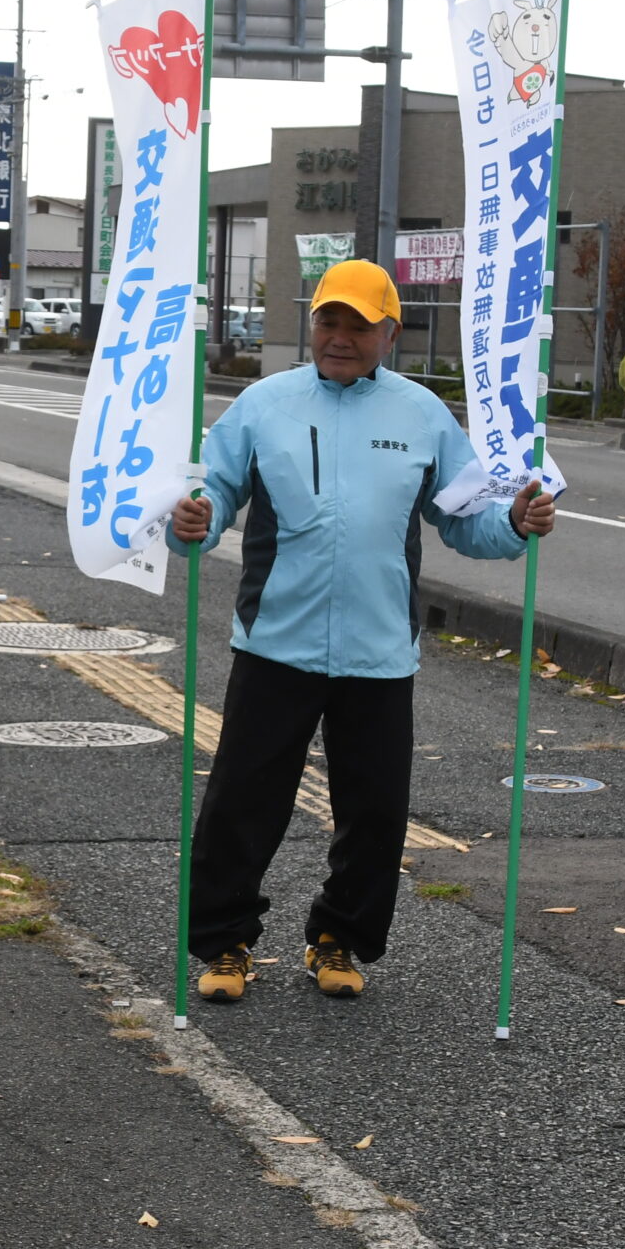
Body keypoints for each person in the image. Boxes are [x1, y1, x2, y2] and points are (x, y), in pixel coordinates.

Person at [166, 259, 555, 1002]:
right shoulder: (263, 404)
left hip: (380, 651)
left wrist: (512, 521)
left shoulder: (422, 415)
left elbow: (464, 519)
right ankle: (224, 944)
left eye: (357, 324)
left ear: (389, 331)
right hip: (276, 641)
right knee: (242, 805)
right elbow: (212, 487)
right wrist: (197, 517)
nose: (339, 337)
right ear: (311, 323)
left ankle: (338, 938)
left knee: (374, 812)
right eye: (327, 320)